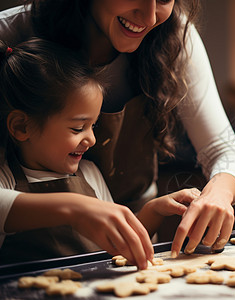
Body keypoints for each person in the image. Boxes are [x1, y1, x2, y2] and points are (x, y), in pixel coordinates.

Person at [0, 1, 235, 268]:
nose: (150, 15)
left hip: (126, 250)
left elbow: (224, 149)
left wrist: (218, 193)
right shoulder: (9, 32)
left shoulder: (172, 35)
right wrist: (75, 209)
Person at [0, 38, 202, 266]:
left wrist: (154, 210)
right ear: (21, 127)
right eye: (78, 128)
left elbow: (117, 245)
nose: (92, 139)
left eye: (93, 126)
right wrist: (75, 209)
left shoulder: (90, 174)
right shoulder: (6, 178)